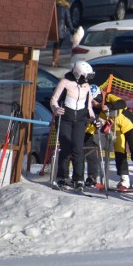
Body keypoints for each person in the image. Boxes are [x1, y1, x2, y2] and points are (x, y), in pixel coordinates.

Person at [50, 61, 98, 191]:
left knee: (78, 148)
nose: (87, 79)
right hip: (65, 118)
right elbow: (54, 99)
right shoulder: (65, 82)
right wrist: (55, 109)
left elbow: (88, 107)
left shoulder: (86, 87)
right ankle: (62, 177)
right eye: (85, 76)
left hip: (80, 120)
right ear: (78, 74)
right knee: (65, 148)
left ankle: (78, 178)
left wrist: (94, 119)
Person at [88, 84, 133, 191]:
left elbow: (122, 103)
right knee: (119, 153)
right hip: (117, 131)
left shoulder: (108, 97)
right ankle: (124, 179)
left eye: (93, 101)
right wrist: (88, 133)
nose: (93, 104)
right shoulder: (98, 111)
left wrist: (109, 106)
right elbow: (95, 124)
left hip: (130, 126)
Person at [52, 0, 74, 69]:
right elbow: (68, 20)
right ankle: (55, 62)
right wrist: (72, 30)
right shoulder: (65, 8)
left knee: (55, 45)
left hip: (53, 29)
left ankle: (53, 60)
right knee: (58, 46)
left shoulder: (54, 6)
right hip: (60, 30)